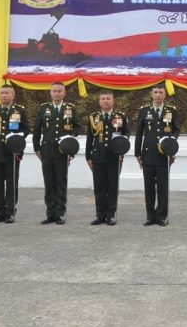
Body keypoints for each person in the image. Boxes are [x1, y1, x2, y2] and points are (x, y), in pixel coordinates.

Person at [34, 81, 79, 225]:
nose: (57, 93)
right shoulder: (43, 108)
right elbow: (37, 130)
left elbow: (77, 127)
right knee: (49, 183)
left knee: (60, 183)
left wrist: (70, 140)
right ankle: (50, 214)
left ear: (64, 93)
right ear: (50, 93)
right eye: (54, 91)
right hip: (47, 151)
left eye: (60, 91)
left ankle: (60, 213)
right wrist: (37, 148)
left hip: (62, 152)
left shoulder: (70, 108)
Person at [0, 83, 29, 223]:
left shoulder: (19, 110)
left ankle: (10, 212)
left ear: (13, 95)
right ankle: (0, 212)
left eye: (7, 93)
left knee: (11, 184)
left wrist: (16, 139)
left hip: (12, 152)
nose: (4, 95)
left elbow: (26, 130)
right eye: (2, 93)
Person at [135, 85, 179, 226]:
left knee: (162, 187)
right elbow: (139, 133)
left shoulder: (171, 111)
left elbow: (176, 130)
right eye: (156, 92)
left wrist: (171, 142)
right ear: (151, 94)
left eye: (161, 92)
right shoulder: (144, 111)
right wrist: (137, 153)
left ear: (165, 95)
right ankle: (150, 216)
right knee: (148, 187)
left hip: (164, 155)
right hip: (147, 154)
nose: (158, 95)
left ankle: (161, 216)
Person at [85, 90, 129, 226]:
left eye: (108, 98)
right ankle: (100, 215)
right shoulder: (94, 117)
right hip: (98, 156)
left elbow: (125, 134)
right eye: (103, 99)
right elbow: (90, 138)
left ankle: (111, 215)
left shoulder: (120, 116)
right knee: (99, 188)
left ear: (113, 101)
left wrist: (121, 152)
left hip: (114, 157)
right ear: (99, 102)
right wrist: (88, 156)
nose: (105, 101)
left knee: (112, 187)